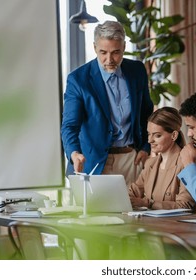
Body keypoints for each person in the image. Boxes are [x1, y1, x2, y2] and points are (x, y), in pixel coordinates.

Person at [61, 21, 153, 185]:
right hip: (93, 163)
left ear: (124, 47)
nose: (109, 59)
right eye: (103, 52)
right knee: (96, 212)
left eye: (116, 52)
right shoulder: (78, 80)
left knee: (136, 210)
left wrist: (146, 147)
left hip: (132, 161)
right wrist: (74, 153)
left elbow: (147, 113)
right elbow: (70, 126)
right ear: (95, 47)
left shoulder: (137, 71)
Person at [128, 107, 196, 210]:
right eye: (148, 134)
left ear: (174, 135)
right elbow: (132, 193)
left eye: (157, 135)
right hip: (151, 224)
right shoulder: (150, 163)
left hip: (176, 225)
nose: (149, 140)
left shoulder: (187, 163)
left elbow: (185, 205)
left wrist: (148, 204)